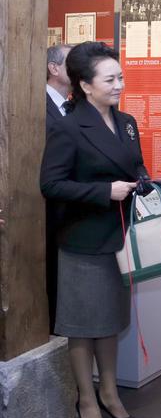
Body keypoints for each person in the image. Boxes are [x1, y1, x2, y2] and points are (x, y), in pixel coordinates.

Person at [40, 42, 144, 418]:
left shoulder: (128, 121)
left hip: (119, 239)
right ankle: (87, 401)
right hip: (83, 241)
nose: (119, 85)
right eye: (110, 79)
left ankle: (111, 394)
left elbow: (133, 164)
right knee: (83, 326)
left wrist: (143, 180)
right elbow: (50, 184)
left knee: (111, 322)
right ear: (85, 85)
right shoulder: (67, 127)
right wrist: (105, 192)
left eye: (120, 77)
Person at [45, 43, 73, 330]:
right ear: (54, 69)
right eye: (70, 62)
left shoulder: (74, 107)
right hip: (44, 211)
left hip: (70, 211)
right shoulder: (36, 105)